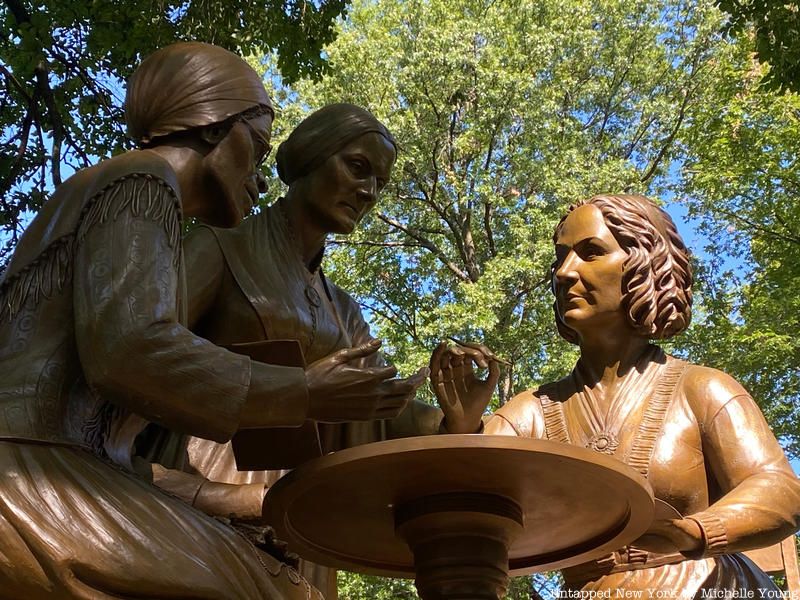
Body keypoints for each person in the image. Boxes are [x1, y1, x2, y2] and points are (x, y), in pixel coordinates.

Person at [0, 43, 407, 599]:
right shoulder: (143, 182)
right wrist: (301, 392)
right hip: (30, 463)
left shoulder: (143, 195)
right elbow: (133, 351)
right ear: (215, 130)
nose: (260, 181)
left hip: (82, 464)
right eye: (257, 150)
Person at [176, 103, 497, 596]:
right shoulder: (218, 250)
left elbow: (384, 415)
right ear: (309, 156)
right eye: (357, 166)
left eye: (379, 183)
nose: (368, 192)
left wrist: (456, 417)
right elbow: (153, 358)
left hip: (302, 518)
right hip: (208, 497)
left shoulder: (343, 311)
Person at [431, 193, 800, 595]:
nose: (564, 273)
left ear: (645, 265)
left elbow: (780, 490)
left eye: (591, 252)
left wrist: (693, 533)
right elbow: (468, 504)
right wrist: (462, 425)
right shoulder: (532, 412)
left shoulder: (702, 389)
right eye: (560, 258)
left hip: (699, 587)